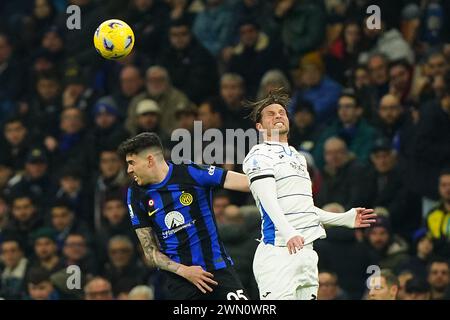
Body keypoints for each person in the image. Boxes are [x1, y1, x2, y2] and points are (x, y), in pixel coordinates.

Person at [242, 89, 376, 300]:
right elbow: (268, 201)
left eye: (282, 112)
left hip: (306, 252)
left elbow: (303, 209)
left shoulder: (298, 158)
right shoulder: (258, 155)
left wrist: (344, 218)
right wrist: (288, 233)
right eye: (270, 113)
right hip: (278, 251)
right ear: (259, 127)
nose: (278, 115)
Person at [118, 132, 251, 300]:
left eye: (132, 163)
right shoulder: (136, 194)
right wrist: (184, 271)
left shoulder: (189, 172)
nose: (129, 170)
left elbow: (247, 183)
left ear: (150, 160)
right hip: (181, 280)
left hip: (218, 270)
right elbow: (150, 252)